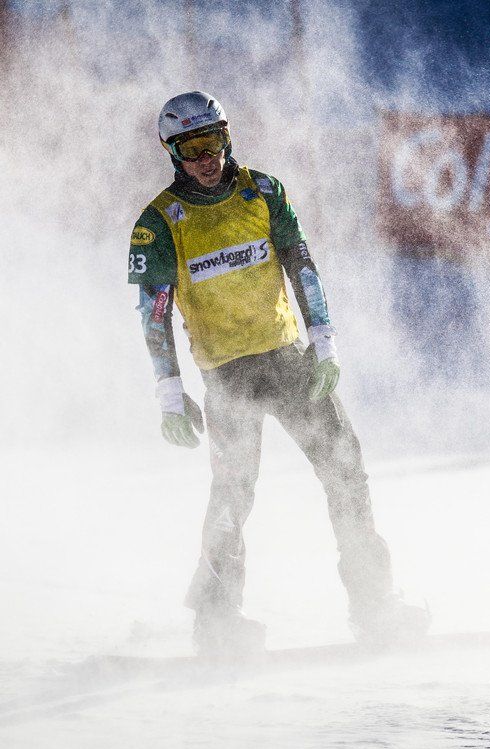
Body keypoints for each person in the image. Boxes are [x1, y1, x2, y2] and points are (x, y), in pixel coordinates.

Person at [128, 91, 429, 654]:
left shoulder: (264, 191)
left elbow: (302, 266)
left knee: (345, 470)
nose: (205, 159)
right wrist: (170, 391)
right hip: (227, 375)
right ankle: (217, 623)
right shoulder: (158, 222)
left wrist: (325, 343)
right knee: (233, 494)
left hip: (288, 361)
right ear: (172, 153)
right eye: (191, 149)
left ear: (226, 137)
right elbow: (154, 314)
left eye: (212, 142)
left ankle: (375, 605)